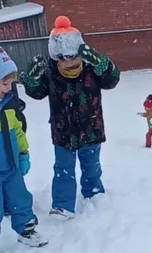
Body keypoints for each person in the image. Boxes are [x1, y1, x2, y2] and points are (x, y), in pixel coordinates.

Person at [22, 15, 120, 219]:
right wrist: (30, 78)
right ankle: (62, 205)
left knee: (91, 167)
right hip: (63, 132)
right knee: (63, 170)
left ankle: (94, 196)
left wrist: (99, 60)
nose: (68, 63)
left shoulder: (92, 69)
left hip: (91, 129)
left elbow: (112, 80)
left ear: (80, 54)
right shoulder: (51, 73)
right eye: (63, 59)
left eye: (73, 57)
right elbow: (38, 92)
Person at [0, 48, 47, 247]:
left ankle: (26, 229)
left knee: (20, 198)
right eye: (4, 83)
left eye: (11, 83)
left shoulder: (9, 104)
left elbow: (17, 131)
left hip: (11, 166)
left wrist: (23, 152)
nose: (9, 88)